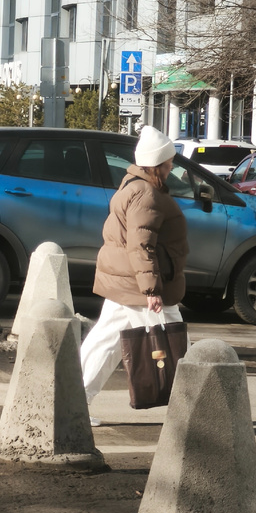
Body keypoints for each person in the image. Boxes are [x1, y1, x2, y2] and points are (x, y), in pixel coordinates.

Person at [81, 125, 189, 424]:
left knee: (105, 341)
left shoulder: (133, 186)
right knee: (176, 345)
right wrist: (151, 289)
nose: (171, 169)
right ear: (157, 165)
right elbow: (141, 245)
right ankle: (195, 409)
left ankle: (73, 400)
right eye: (168, 164)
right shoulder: (147, 195)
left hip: (127, 282)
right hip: (142, 286)